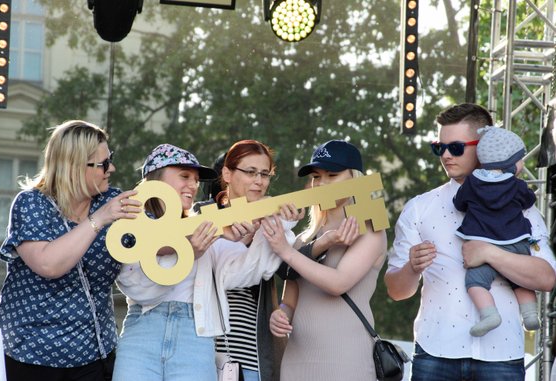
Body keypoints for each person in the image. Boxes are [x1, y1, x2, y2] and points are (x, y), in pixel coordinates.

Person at [385, 103, 556, 380]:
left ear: (483, 144)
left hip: (501, 355)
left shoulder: (523, 207)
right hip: (435, 351)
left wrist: (489, 253)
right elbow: (396, 291)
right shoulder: (420, 207)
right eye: (439, 147)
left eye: (455, 147)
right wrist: (411, 268)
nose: (446, 156)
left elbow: (547, 278)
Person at [112, 143, 299, 381]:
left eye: (196, 179)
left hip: (195, 337)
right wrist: (189, 251)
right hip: (142, 333)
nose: (193, 185)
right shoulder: (130, 223)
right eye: (184, 176)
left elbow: (245, 272)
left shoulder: (206, 226)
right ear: (155, 179)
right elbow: (139, 289)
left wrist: (277, 225)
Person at [0, 120, 141, 381]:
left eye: (110, 159)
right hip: (28, 355)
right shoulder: (32, 204)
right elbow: (48, 265)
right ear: (74, 166)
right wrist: (99, 220)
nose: (111, 168)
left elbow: (158, 237)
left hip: (94, 356)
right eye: (103, 164)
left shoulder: (109, 201)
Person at [264, 140, 387, 381]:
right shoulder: (303, 238)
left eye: (332, 175)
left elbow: (338, 283)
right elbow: (289, 301)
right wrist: (281, 315)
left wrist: (286, 252)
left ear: (355, 179)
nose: (322, 183)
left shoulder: (370, 228)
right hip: (297, 361)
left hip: (347, 363)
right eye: (316, 177)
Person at [214, 139, 305, 381]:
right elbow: (225, 277)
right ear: (227, 173)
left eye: (265, 174)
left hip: (251, 355)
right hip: (202, 351)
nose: (259, 181)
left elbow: (291, 273)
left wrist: (281, 226)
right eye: (251, 172)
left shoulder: (273, 227)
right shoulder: (203, 220)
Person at [453, 126, 540, 337]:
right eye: (520, 159)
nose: (523, 164)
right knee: (521, 280)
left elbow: (459, 203)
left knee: (475, 282)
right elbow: (529, 200)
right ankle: (529, 314)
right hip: (516, 242)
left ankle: (489, 314)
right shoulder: (517, 186)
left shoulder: (473, 183)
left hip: (481, 246)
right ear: (509, 163)